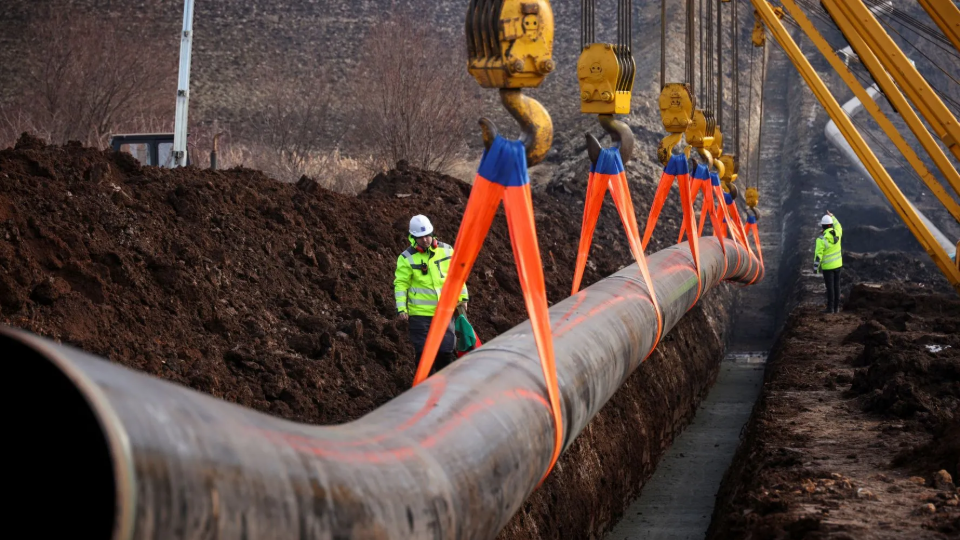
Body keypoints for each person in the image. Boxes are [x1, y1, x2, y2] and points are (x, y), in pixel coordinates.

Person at [394, 214, 468, 373]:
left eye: (428, 235)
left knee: (445, 352)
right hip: (420, 316)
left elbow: (457, 275)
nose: (425, 240)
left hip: (445, 312)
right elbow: (401, 284)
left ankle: (445, 387)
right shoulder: (406, 258)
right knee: (424, 355)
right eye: (420, 237)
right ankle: (424, 388)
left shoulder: (447, 250)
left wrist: (463, 297)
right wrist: (402, 309)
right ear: (413, 237)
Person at [814, 211, 843, 313]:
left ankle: (830, 309)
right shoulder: (838, 234)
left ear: (822, 226)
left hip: (827, 268)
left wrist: (816, 269)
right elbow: (838, 226)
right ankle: (836, 308)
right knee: (837, 286)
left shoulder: (821, 240)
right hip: (838, 265)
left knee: (830, 288)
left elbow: (818, 256)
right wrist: (833, 216)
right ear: (831, 225)